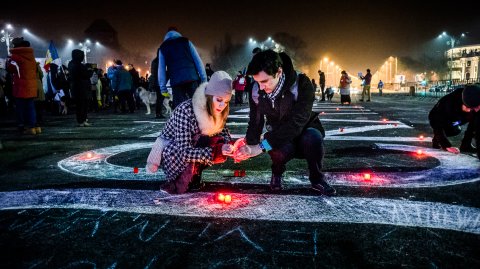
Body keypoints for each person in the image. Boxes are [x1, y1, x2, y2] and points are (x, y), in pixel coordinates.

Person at [234, 50, 335, 196]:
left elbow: (296, 123)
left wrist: (261, 147)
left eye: (264, 81)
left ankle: (317, 178)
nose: (261, 87)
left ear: (279, 72)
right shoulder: (257, 91)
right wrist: (249, 146)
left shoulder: (301, 84)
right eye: (257, 82)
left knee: (313, 138)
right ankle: (277, 172)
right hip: (279, 136)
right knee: (275, 147)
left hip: (304, 131)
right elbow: (255, 120)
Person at [145, 71, 235, 194]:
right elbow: (184, 152)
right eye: (219, 99)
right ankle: (176, 179)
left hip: (194, 146)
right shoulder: (186, 110)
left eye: (226, 102)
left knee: (215, 140)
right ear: (209, 96)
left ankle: (195, 173)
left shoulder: (219, 110)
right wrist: (216, 152)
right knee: (203, 144)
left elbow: (224, 132)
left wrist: (230, 146)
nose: (222, 105)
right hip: (173, 150)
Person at [157, 27, 207, 109]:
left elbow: (161, 69)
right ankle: (199, 121)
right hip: (191, 78)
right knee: (198, 106)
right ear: (177, 33)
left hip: (176, 82)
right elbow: (198, 60)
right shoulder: (186, 42)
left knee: (180, 108)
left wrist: (163, 88)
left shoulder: (163, 48)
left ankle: (184, 121)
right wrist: (203, 79)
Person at [428, 84, 480, 158]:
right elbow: (437, 124)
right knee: (454, 130)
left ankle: (466, 145)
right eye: (471, 108)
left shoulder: (475, 96)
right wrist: (446, 145)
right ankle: (437, 140)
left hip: (460, 117)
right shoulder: (447, 103)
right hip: (443, 119)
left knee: (475, 119)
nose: (476, 109)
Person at [6, 37, 38, 135]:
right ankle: (33, 127)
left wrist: (8, 62)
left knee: (20, 107)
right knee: (30, 107)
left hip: (20, 85)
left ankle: (21, 125)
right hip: (31, 85)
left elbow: (11, 69)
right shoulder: (31, 56)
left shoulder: (15, 56)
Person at [68, 49, 92, 127]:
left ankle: (82, 120)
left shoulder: (71, 64)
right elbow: (86, 75)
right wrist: (90, 71)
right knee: (83, 105)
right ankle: (82, 120)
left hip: (76, 87)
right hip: (82, 87)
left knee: (80, 105)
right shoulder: (79, 65)